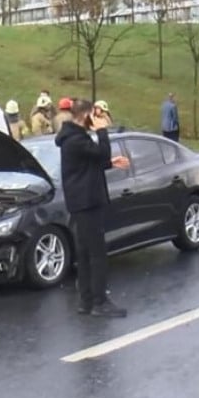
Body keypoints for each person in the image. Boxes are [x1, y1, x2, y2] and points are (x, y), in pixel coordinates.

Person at [55, 99, 130, 318]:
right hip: (87, 202)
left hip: (81, 201)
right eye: (92, 116)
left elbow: (87, 163)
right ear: (85, 115)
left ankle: (86, 301)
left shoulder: (73, 138)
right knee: (97, 253)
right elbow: (100, 153)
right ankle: (99, 302)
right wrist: (103, 131)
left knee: (85, 252)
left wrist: (109, 163)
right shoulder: (75, 139)